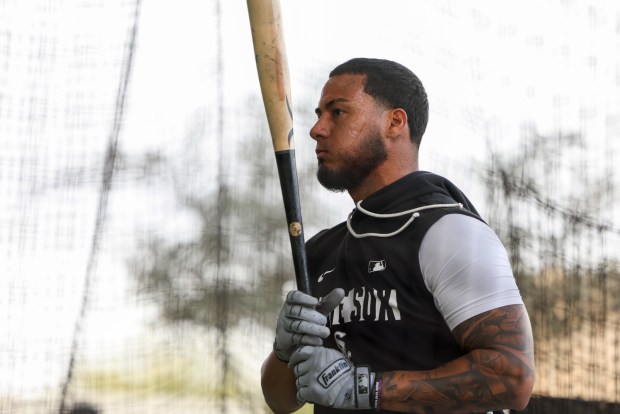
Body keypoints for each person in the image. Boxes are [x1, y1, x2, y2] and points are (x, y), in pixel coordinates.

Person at [261, 57, 535, 414]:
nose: (316, 129)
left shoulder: (448, 232)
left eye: (338, 113)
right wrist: (284, 352)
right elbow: (281, 402)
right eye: (318, 114)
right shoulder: (321, 249)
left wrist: (366, 390)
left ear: (394, 122)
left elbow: (512, 378)